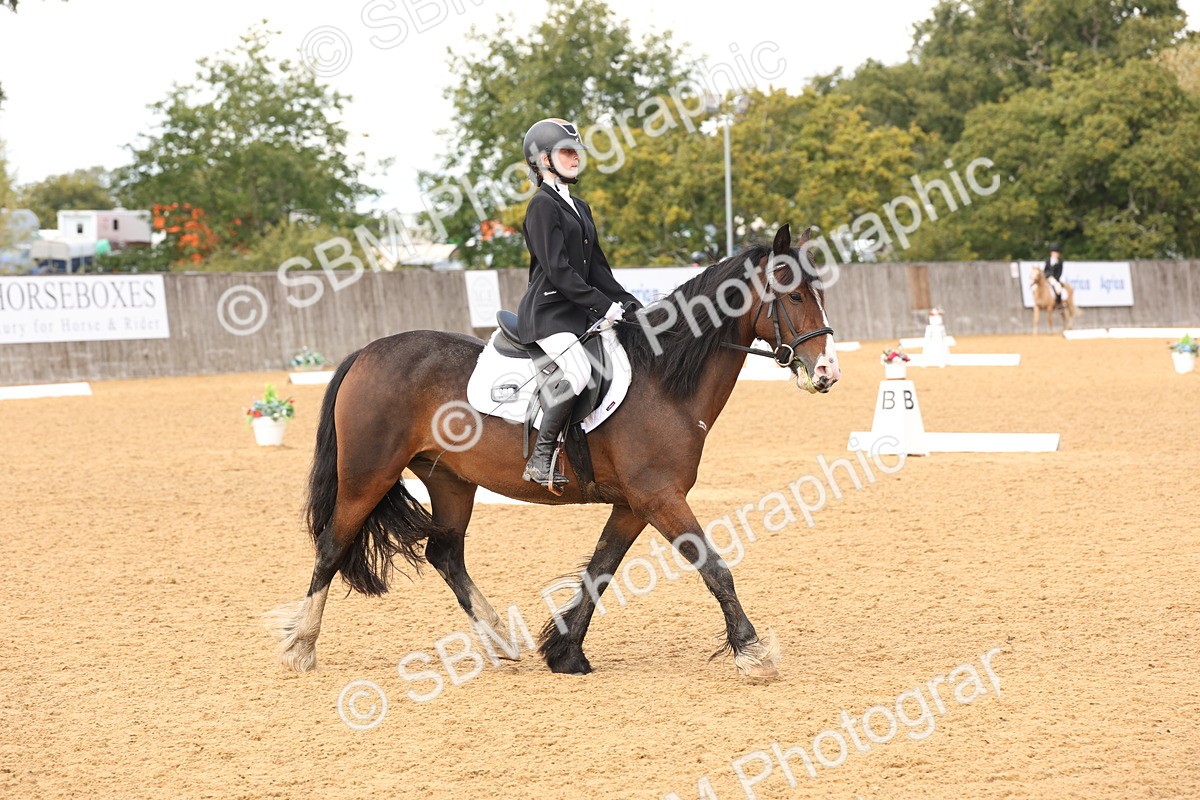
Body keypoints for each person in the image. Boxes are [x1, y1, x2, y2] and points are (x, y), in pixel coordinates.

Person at [516, 117, 641, 491]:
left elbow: (598, 269)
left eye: (576, 152)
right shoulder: (542, 206)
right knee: (576, 372)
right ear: (542, 160)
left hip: (577, 314)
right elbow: (557, 270)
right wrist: (602, 306)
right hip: (548, 314)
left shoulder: (580, 207)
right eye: (566, 152)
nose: (575, 158)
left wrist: (629, 304)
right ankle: (540, 459)